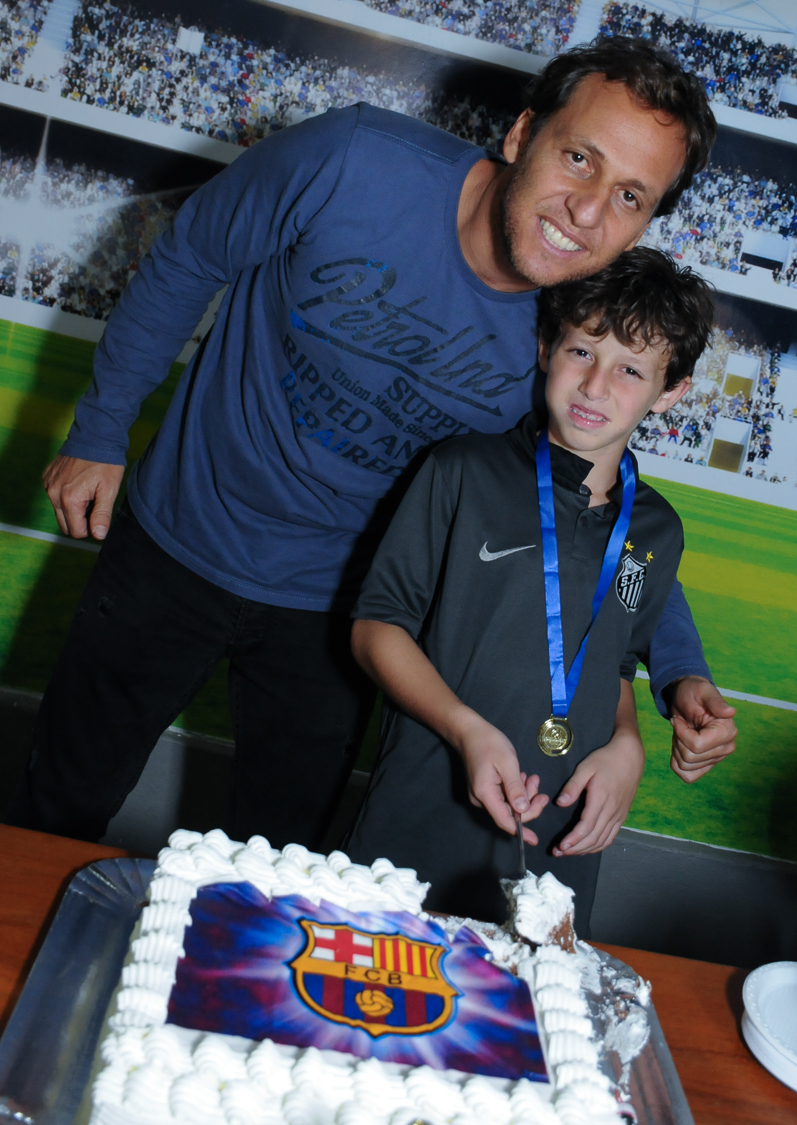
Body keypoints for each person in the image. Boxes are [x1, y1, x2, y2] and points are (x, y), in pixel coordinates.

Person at [4, 37, 736, 848]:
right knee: (56, 809)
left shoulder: (570, 336)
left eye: (630, 196)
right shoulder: (350, 159)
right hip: (178, 540)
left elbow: (594, 509)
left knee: (280, 873)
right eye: (577, 158)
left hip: (340, 616)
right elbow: (188, 259)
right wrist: (101, 431)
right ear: (521, 135)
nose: (588, 209)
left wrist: (677, 670)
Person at [346, 248, 713, 930]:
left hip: (561, 835)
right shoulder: (461, 471)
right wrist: (465, 731)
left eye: (629, 370)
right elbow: (375, 627)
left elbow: (614, 665)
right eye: (580, 352)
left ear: (670, 392)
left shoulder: (656, 528)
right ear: (545, 347)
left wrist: (625, 746)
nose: (594, 386)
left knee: (522, 1024)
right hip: (425, 807)